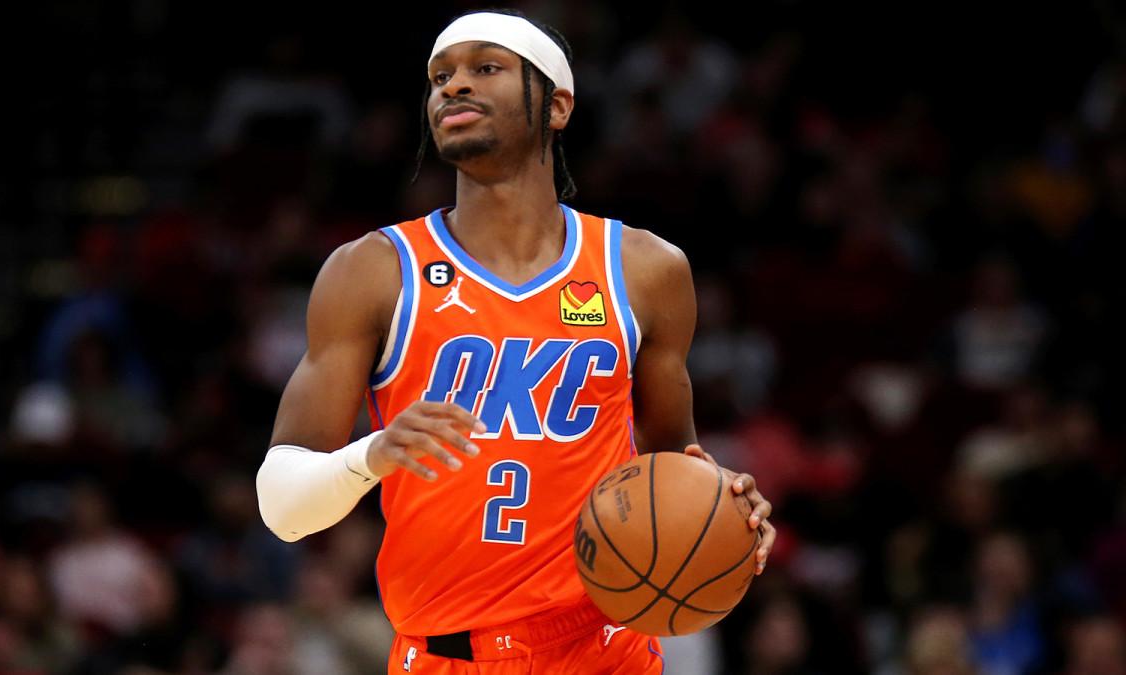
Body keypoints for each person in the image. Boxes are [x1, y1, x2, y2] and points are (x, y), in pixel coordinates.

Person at [255, 9, 777, 673]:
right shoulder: (373, 270)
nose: (454, 85)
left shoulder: (646, 269)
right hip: (446, 653)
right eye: (440, 76)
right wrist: (372, 453)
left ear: (557, 106)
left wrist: (726, 508)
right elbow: (282, 509)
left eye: (486, 67)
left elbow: (672, 462)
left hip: (602, 648)